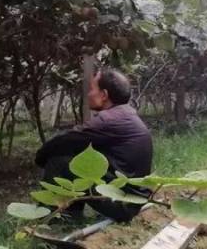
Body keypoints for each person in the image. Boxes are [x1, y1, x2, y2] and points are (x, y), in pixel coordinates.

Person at [35, 68, 153, 222]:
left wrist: (40, 158)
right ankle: (70, 216)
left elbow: (64, 140)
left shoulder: (109, 120)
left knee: (59, 161)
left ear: (104, 95)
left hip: (123, 204)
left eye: (92, 89)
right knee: (78, 161)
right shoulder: (127, 115)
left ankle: (50, 221)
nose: (88, 94)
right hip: (134, 199)